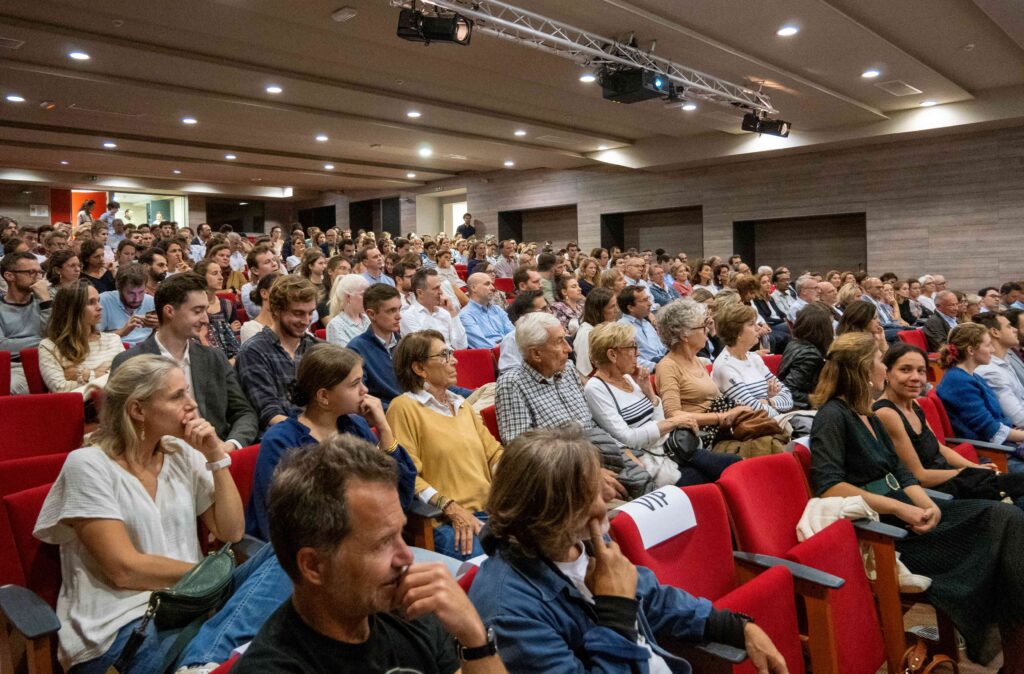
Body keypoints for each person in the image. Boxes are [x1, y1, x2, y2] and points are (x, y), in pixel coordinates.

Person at [470, 426, 787, 674]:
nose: (604, 502)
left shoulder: (581, 541)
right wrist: (616, 612)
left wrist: (732, 625)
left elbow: (653, 598)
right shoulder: (509, 610)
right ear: (550, 513)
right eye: (590, 494)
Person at [809, 332, 1024, 665]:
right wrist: (902, 508)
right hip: (885, 528)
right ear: (865, 369)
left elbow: (902, 472)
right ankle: (1007, 637)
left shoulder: (865, 412)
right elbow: (829, 486)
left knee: (1003, 518)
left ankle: (1011, 639)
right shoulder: (832, 416)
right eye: (881, 360)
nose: (883, 366)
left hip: (909, 511)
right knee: (1004, 519)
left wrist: (926, 504)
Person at [33, 355, 245, 674]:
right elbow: (124, 569)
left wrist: (215, 456)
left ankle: (204, 661)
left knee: (282, 557)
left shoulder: (181, 453)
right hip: (124, 630)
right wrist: (211, 577)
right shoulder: (88, 466)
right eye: (177, 396)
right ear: (137, 409)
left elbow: (231, 532)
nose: (192, 404)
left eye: (187, 392)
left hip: (193, 608)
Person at [235, 431, 505, 673]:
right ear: (314, 566)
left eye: (401, 533)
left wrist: (475, 638)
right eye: (383, 543)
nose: (406, 557)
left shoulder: (411, 613)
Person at [248, 343, 415, 541]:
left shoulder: (355, 426)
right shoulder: (282, 441)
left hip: (366, 541)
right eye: (355, 384)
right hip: (317, 554)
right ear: (324, 396)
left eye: (362, 381)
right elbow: (284, 524)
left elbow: (399, 493)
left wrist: (384, 427)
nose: (365, 390)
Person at [387, 330, 503, 559]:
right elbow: (407, 476)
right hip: (448, 522)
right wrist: (451, 508)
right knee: (496, 565)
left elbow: (494, 454)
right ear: (419, 368)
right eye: (444, 355)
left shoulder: (461, 404)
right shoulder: (403, 408)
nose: (455, 360)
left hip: (491, 512)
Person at [112, 273, 258, 449]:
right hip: (157, 458)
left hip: (212, 453)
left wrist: (231, 445)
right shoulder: (129, 362)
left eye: (205, 310)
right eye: (197, 311)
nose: (205, 319)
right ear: (170, 311)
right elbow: (118, 428)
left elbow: (244, 413)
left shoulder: (214, 357)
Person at [874, 341, 1024, 503]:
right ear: (887, 372)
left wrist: (975, 467)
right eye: (905, 370)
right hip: (938, 491)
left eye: (921, 371)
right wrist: (967, 471)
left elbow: (940, 448)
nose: (915, 377)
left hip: (951, 476)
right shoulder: (887, 413)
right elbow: (920, 476)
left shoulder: (915, 403)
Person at [584, 321, 720, 488]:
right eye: (632, 347)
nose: (638, 353)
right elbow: (628, 438)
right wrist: (673, 422)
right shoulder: (595, 388)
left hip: (671, 447)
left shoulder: (628, 378)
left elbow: (659, 419)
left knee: (731, 466)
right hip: (652, 460)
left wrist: (649, 393)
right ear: (612, 355)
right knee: (708, 482)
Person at [654, 299, 753, 448]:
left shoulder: (696, 360)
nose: (707, 330)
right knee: (762, 444)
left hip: (723, 429)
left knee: (768, 436)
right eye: (702, 327)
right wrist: (722, 416)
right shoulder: (667, 367)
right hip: (704, 437)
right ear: (684, 335)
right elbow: (673, 415)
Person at [236, 276, 319, 428]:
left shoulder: (317, 348)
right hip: (284, 439)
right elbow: (269, 413)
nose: (307, 321)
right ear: (276, 311)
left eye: (310, 313)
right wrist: (312, 431)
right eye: (298, 313)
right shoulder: (254, 351)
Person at [935, 322, 1024, 452]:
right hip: (992, 454)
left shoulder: (972, 376)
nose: (993, 350)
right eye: (988, 346)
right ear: (971, 350)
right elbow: (990, 430)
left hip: (1004, 445)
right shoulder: (958, 382)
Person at [38, 282, 124, 394]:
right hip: (72, 408)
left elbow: (124, 381)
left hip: (110, 405)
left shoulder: (113, 339)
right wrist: (106, 375)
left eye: (98, 301)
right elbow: (60, 389)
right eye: (91, 303)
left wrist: (85, 374)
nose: (100, 307)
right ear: (72, 309)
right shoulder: (49, 346)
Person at [711, 301, 793, 418]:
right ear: (737, 332)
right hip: (755, 428)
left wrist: (769, 402)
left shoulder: (754, 358)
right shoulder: (725, 366)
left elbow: (787, 396)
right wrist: (777, 409)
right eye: (751, 324)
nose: (757, 328)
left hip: (773, 422)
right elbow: (753, 409)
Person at [347, 283, 404, 408]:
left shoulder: (405, 343)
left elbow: (425, 384)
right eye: (392, 311)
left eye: (399, 309)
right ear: (372, 314)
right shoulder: (356, 349)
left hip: (414, 411)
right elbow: (359, 397)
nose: (399, 316)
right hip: (387, 416)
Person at [778, 302, 833, 410]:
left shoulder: (795, 342)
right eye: (830, 324)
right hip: (807, 408)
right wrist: (817, 399)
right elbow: (788, 389)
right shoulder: (810, 355)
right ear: (823, 329)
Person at [974, 312, 1024, 427]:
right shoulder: (990, 371)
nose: (1015, 330)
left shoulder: (1004, 361)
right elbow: (1019, 419)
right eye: (1009, 326)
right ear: (995, 332)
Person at [400, 268, 468, 349]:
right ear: (420, 293)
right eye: (436, 288)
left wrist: (452, 312)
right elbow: (425, 350)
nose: (441, 292)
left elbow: (462, 346)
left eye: (440, 287)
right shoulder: (409, 316)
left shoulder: (445, 313)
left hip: (452, 358)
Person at [98, 263, 157, 346]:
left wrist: (159, 326)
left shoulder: (150, 301)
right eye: (131, 293)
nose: (137, 299)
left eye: (141, 292)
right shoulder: (103, 301)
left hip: (145, 348)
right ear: (119, 288)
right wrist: (122, 332)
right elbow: (93, 339)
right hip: (115, 348)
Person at [193, 259, 241, 360]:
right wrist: (228, 329)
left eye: (221, 273)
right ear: (202, 278)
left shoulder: (227, 305)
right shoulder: (193, 307)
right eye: (215, 274)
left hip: (228, 355)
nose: (221, 277)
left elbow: (236, 334)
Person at [495, 290, 548, 375]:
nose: (549, 313)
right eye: (543, 309)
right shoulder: (512, 338)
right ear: (526, 315)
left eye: (548, 308)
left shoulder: (552, 334)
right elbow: (508, 375)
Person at [459, 271, 514, 349]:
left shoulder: (497, 309)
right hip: (492, 356)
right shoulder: (465, 315)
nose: (493, 288)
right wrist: (509, 347)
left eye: (492, 284)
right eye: (487, 284)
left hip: (508, 350)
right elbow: (482, 345)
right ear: (473, 288)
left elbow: (513, 333)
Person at [617, 285, 665, 369]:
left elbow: (661, 349)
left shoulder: (646, 323)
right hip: (649, 371)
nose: (650, 304)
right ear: (630, 307)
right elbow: (628, 360)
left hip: (663, 362)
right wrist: (657, 366)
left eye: (648, 299)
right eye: (644, 300)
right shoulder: (622, 328)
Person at [326, 274, 371, 348]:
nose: (368, 298)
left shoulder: (368, 319)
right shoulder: (336, 325)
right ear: (348, 297)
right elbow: (346, 355)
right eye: (363, 294)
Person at [239, 244, 281, 319]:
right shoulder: (247, 289)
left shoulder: (288, 283)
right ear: (255, 270)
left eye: (274, 260)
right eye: (267, 262)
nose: (274, 264)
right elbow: (258, 311)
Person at [240, 273, 280, 344]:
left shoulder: (290, 323)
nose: (285, 295)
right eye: (279, 290)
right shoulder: (250, 328)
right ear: (264, 293)